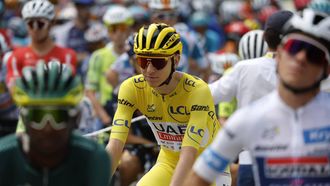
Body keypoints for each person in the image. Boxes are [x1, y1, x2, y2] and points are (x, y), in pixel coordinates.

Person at [185, 9, 330, 186]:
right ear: (279, 54)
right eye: (294, 47)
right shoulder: (246, 120)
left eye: (313, 54)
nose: (301, 58)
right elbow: (197, 178)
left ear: (326, 69)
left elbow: (208, 93)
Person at [106, 23, 230, 186]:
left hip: (209, 165)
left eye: (158, 63)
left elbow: (189, 152)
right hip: (169, 162)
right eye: (143, 61)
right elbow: (115, 144)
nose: (149, 70)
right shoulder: (131, 88)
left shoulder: (197, 91)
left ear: (176, 60)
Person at [208, 10, 293, 186]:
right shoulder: (305, 69)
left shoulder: (244, 68)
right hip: (292, 163)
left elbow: (207, 94)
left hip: (250, 162)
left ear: (266, 37)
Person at [0, 61, 111, 185]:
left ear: (75, 119)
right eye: (38, 117)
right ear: (24, 119)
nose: (48, 128)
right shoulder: (3, 156)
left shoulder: (94, 158)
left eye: (58, 116)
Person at [5, 0, 77, 92]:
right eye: (30, 24)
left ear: (51, 24)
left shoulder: (68, 55)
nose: (35, 29)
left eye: (40, 24)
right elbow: (13, 88)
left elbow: (70, 86)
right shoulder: (16, 56)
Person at [85, 5, 133, 130]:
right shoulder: (98, 56)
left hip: (135, 112)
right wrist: (104, 117)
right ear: (107, 31)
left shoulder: (136, 53)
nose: (118, 34)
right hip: (107, 113)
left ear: (128, 29)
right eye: (113, 29)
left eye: (122, 28)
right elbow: (90, 91)